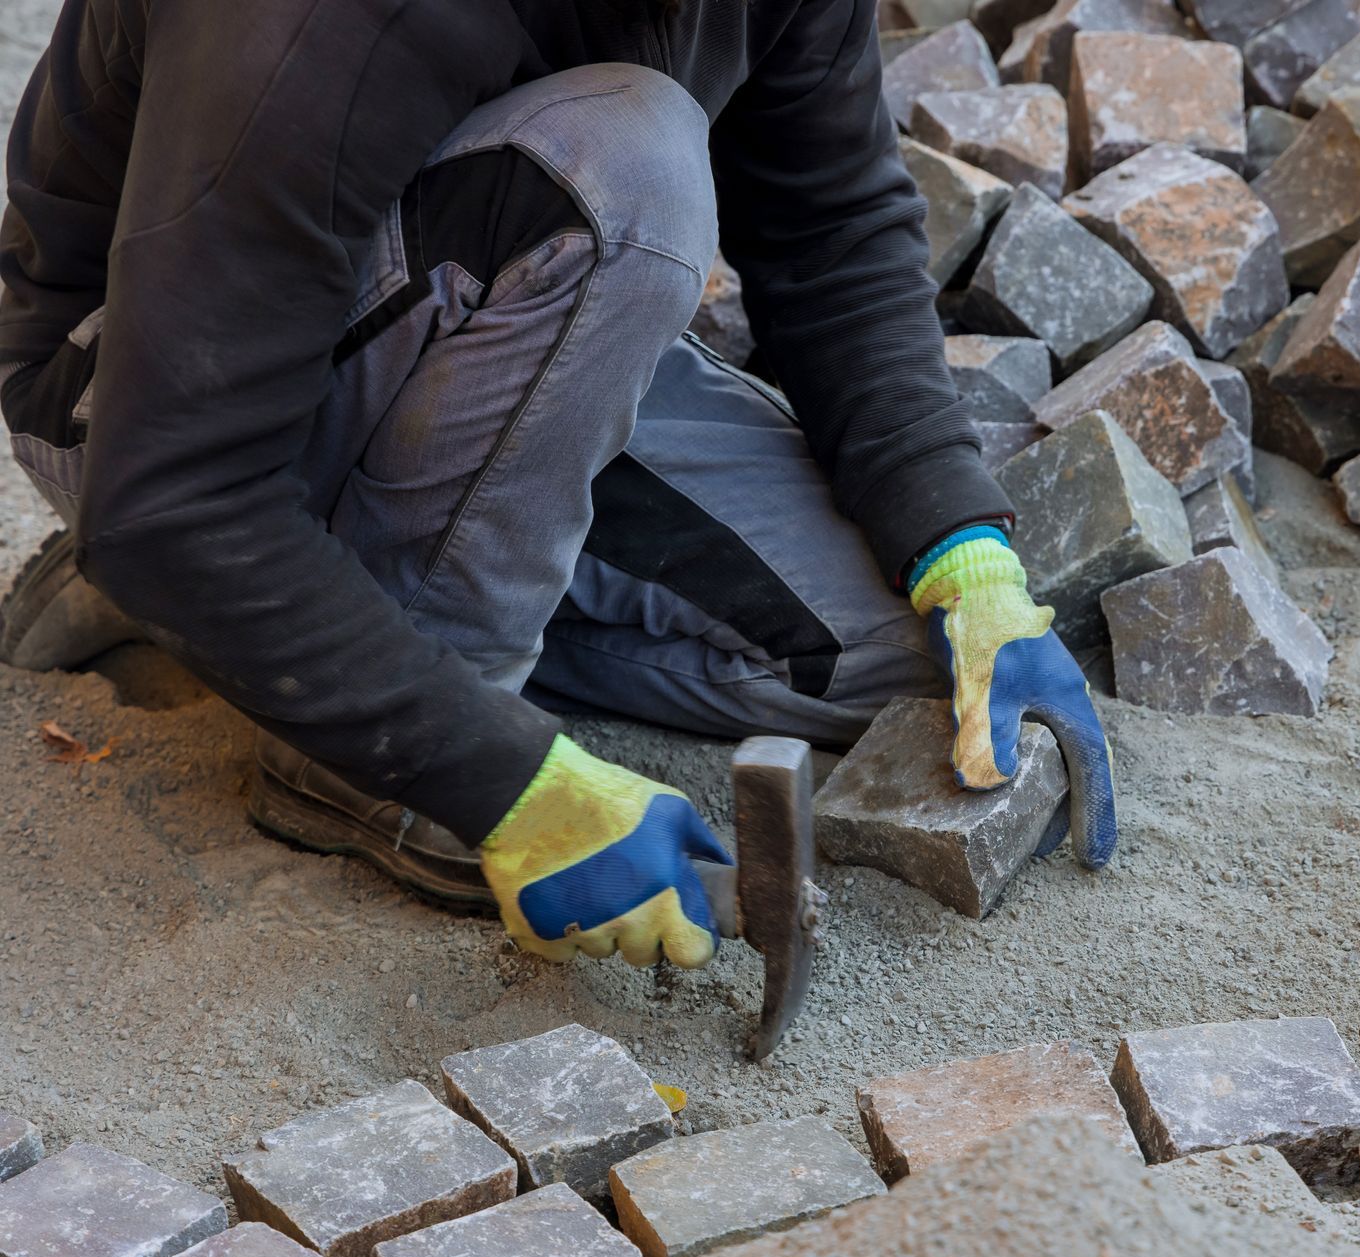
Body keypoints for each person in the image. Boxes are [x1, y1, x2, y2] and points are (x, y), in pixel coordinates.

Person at [0, 0, 1117, 972]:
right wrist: (497, 775)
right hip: (159, 392)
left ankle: (266, 612)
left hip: (506, 305)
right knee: (633, 163)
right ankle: (328, 718)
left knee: (886, 657)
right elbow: (176, 485)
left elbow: (830, 227)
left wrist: (957, 544)